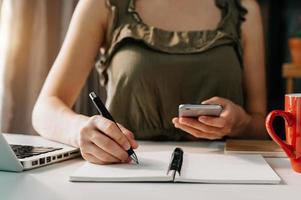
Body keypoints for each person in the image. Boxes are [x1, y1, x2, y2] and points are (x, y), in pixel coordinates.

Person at [32, 0, 267, 165]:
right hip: (127, 168)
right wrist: (79, 131)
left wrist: (240, 124)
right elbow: (44, 108)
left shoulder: (244, 9)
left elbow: (262, 124)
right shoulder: (102, 4)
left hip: (228, 175)